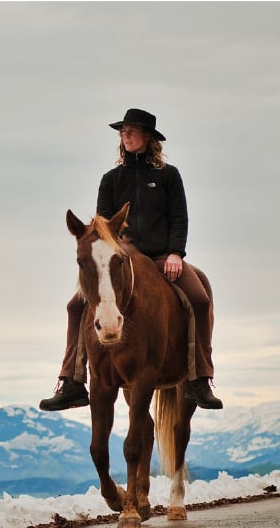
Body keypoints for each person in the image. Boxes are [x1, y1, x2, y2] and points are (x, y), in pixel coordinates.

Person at [39, 108, 223, 411]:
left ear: (148, 137)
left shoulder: (168, 176)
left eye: (132, 130)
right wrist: (117, 256)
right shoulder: (111, 179)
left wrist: (176, 252)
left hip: (163, 257)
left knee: (200, 301)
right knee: (75, 307)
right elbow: (102, 226)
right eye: (123, 131)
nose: (126, 135)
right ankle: (71, 381)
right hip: (122, 260)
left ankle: (200, 378)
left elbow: (179, 218)